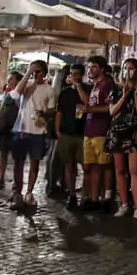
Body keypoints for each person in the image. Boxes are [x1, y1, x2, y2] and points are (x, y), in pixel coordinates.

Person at [10, 60, 55, 208]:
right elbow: (16, 94)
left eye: (38, 71)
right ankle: (17, 192)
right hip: (22, 129)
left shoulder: (49, 89)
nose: (36, 74)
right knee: (18, 162)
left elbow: (52, 109)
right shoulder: (27, 84)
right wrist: (29, 72)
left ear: (45, 72)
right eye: (33, 71)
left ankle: (29, 193)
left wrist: (44, 113)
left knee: (34, 162)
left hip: (38, 130)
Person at [108, 58, 137, 219]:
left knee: (134, 170)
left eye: (131, 68)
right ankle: (124, 203)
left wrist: (136, 94)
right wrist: (124, 96)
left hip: (135, 133)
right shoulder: (116, 89)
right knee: (120, 170)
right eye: (125, 68)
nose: (128, 71)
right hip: (118, 131)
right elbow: (112, 111)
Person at [79, 56, 115, 210]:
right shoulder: (95, 86)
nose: (89, 70)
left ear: (101, 68)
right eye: (88, 67)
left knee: (105, 165)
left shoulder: (107, 84)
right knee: (90, 166)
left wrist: (90, 109)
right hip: (89, 130)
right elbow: (89, 104)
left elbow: (110, 108)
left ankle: (106, 199)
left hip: (101, 130)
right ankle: (94, 199)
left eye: (93, 67)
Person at [54, 64, 87, 207]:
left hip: (82, 134)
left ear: (82, 75)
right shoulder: (65, 92)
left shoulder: (87, 89)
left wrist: (78, 86)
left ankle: (86, 196)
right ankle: (72, 195)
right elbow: (59, 112)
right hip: (66, 133)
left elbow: (87, 102)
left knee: (87, 167)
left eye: (77, 74)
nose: (74, 76)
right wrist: (57, 130)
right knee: (69, 166)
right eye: (72, 73)